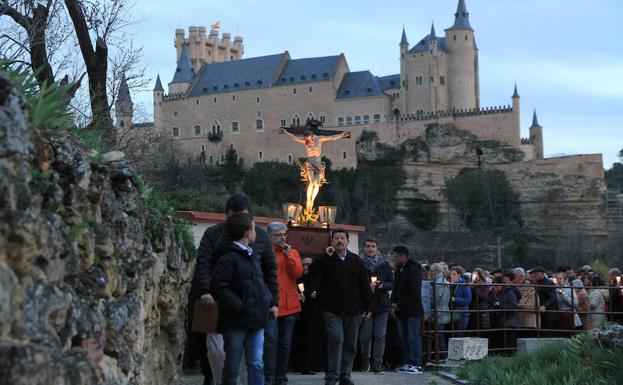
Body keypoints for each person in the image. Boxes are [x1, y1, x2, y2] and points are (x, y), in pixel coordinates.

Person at [191, 193, 279, 385]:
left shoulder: (261, 237)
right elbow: (204, 265)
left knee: (253, 360)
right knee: (218, 354)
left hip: (253, 307)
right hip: (220, 303)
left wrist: (272, 301)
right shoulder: (214, 235)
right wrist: (206, 291)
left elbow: (269, 272)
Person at [211, 213, 273, 385]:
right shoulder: (228, 258)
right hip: (236, 321)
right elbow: (219, 287)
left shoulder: (253, 255)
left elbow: (259, 282)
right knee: (232, 366)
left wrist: (267, 299)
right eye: (254, 228)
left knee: (256, 363)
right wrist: (239, 305)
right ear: (248, 232)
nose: (256, 232)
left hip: (256, 319)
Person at [309, 229, 372, 385]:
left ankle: (345, 376)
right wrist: (325, 255)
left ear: (347, 241)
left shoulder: (356, 260)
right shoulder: (326, 259)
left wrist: (369, 307)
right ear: (332, 242)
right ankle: (332, 376)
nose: (339, 241)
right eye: (336, 238)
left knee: (350, 344)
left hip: (353, 309)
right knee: (336, 339)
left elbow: (364, 285)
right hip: (331, 309)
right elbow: (312, 272)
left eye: (342, 238)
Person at [263, 222, 304, 385]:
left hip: (290, 305)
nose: (283, 238)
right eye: (279, 235)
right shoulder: (265, 253)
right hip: (271, 305)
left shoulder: (292, 252)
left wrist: (288, 256)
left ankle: (281, 377)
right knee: (270, 342)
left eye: (284, 234)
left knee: (285, 344)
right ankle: (269, 377)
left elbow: (297, 273)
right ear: (270, 237)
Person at [280, 125, 350, 216]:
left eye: (307, 137)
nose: (307, 139)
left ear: (311, 135)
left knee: (317, 184)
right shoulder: (306, 142)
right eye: (305, 138)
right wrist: (286, 133)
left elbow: (331, 138)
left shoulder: (319, 139)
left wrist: (341, 135)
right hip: (310, 163)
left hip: (318, 163)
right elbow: (295, 138)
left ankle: (312, 200)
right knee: (312, 182)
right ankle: (309, 201)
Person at [358, 237, 394, 374]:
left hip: (382, 304)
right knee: (365, 335)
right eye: (368, 246)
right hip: (366, 304)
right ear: (364, 248)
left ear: (377, 248)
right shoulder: (359, 263)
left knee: (380, 335)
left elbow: (391, 283)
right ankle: (365, 361)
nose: (371, 249)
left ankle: (378, 364)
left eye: (373, 246)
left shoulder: (384, 264)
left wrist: (383, 285)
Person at [390, 246, 423, 375]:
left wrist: (399, 302)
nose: (395, 258)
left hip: (412, 310)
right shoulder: (399, 270)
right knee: (404, 338)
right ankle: (408, 362)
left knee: (413, 337)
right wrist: (393, 301)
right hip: (401, 310)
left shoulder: (413, 270)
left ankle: (416, 363)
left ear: (404, 256)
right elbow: (396, 287)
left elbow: (414, 291)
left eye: (396, 256)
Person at [488, 276, 519, 354]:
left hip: (508, 321)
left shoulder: (509, 293)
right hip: (499, 321)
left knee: (509, 342)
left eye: (497, 285)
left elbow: (513, 306)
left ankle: (510, 355)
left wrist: (501, 306)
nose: (495, 288)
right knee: (500, 341)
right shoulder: (497, 294)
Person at [529, 267, 560, 336]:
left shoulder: (548, 283)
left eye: (537, 274)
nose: (535, 275)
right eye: (535, 274)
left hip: (550, 313)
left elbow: (553, 297)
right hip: (544, 313)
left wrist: (545, 305)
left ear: (543, 274)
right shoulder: (539, 283)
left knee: (548, 332)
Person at [429, 263, 450, 355]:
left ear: (435, 271)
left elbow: (436, 297)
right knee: (439, 334)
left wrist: (430, 303)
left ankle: (441, 354)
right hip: (443, 310)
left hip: (439, 312)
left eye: (430, 270)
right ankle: (442, 353)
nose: (429, 272)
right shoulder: (443, 280)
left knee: (438, 335)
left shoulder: (438, 283)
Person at [513, 267, 540, 335]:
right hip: (523, 322)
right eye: (525, 284)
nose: (526, 286)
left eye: (528, 284)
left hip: (530, 323)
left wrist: (519, 305)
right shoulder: (524, 294)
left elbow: (532, 306)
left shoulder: (533, 293)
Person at [449, 266, 472, 337]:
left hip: (462, 313)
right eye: (451, 274)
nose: (452, 276)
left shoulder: (464, 285)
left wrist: (455, 299)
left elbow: (468, 300)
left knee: (460, 334)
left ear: (459, 275)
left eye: (454, 274)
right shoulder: (448, 284)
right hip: (452, 312)